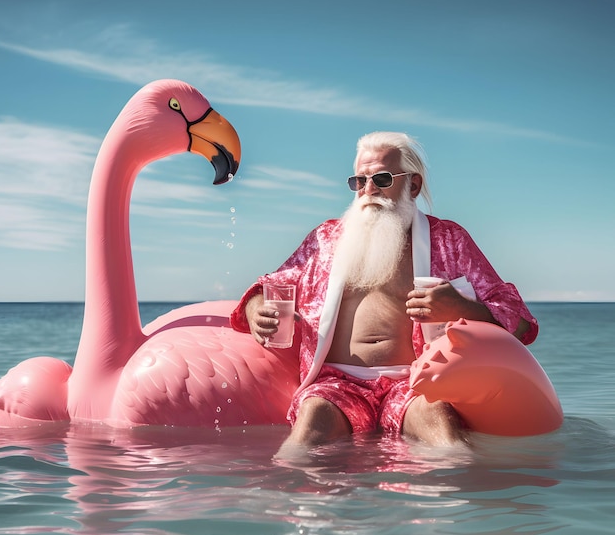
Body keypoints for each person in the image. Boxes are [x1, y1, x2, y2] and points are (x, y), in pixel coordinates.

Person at [230, 131, 537, 454]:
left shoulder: (449, 240)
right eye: (359, 181)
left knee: (444, 434)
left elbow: (518, 321)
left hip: (416, 383)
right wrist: (256, 309)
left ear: (413, 185)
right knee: (310, 427)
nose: (369, 190)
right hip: (337, 384)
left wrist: (462, 308)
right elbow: (272, 285)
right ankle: (279, 501)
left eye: (382, 178)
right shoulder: (326, 239)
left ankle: (456, 502)